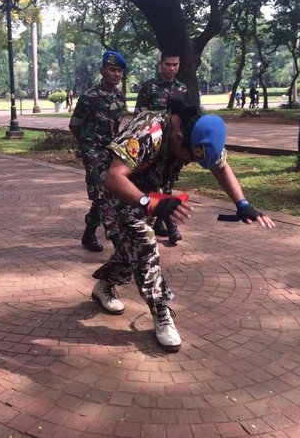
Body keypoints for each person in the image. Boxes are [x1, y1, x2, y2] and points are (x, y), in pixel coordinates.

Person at [91, 96, 275, 352]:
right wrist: (151, 203)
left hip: (150, 192)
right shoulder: (148, 132)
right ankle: (161, 311)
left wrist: (242, 204)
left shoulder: (199, 133)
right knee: (144, 243)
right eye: (189, 158)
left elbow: (220, 166)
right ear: (178, 138)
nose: (188, 162)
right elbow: (113, 177)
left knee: (132, 249)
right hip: (117, 189)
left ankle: (104, 285)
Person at [69, 50, 125, 252]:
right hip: (92, 150)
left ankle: (89, 233)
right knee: (101, 192)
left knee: (107, 190)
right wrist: (87, 147)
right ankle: (116, 238)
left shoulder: (120, 96)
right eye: (112, 70)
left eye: (119, 71)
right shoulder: (90, 97)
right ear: (102, 71)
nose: (116, 74)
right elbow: (74, 125)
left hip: (110, 151)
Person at [134, 51, 191, 245]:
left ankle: (168, 225)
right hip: (154, 146)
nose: (172, 68)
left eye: (175, 64)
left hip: (172, 147)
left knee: (168, 185)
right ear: (160, 65)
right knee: (152, 184)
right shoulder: (149, 87)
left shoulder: (182, 89)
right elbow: (139, 117)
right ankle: (157, 223)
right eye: (168, 64)